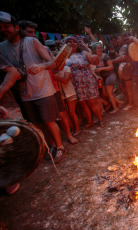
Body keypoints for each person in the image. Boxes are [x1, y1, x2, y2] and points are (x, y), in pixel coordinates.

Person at [0, 11, 67, 163]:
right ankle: (50, 146)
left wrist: (42, 66)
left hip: (43, 91)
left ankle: (60, 146)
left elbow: (53, 63)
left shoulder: (31, 42)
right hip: (24, 94)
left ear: (16, 28)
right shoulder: (1, 47)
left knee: (49, 121)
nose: (3, 29)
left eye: (6, 26)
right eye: (0, 27)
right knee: (37, 123)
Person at [64, 36, 104, 128]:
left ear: (77, 44)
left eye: (74, 42)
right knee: (83, 103)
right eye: (69, 42)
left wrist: (94, 56)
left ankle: (100, 120)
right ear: (65, 45)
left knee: (92, 101)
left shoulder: (84, 53)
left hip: (88, 80)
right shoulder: (65, 58)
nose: (72, 43)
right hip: (76, 83)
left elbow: (95, 63)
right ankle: (90, 122)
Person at [92, 42, 123, 113]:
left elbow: (111, 66)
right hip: (103, 78)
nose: (100, 49)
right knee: (105, 93)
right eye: (98, 48)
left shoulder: (105, 56)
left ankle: (115, 108)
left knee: (109, 93)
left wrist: (101, 69)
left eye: (100, 47)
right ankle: (119, 102)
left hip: (110, 75)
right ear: (94, 49)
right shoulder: (94, 57)